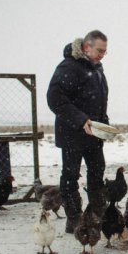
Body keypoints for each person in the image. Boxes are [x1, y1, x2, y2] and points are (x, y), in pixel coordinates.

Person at [47, 30, 109, 233]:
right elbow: (55, 99)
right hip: (72, 134)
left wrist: (105, 124)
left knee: (97, 172)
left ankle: (97, 215)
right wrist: (81, 120)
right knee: (70, 176)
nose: (102, 55)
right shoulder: (69, 66)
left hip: (94, 134)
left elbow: (99, 101)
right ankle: (74, 219)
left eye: (105, 51)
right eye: (99, 50)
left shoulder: (97, 69)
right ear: (86, 47)